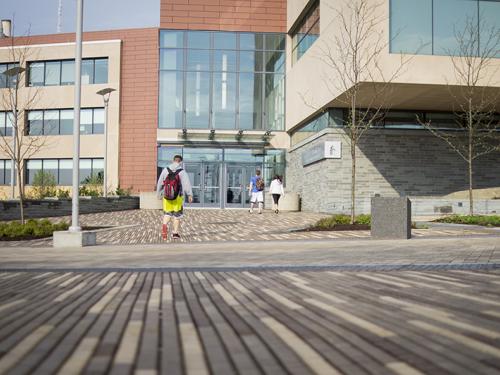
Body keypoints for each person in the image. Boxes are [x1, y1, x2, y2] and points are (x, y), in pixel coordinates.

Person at [156, 155, 193, 240]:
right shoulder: (182, 172)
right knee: (177, 215)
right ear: (180, 162)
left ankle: (164, 227)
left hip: (166, 197)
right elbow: (186, 184)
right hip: (178, 197)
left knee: (167, 213)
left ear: (173, 160)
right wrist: (190, 194)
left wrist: (158, 194)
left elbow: (160, 183)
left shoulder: (165, 170)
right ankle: (175, 234)